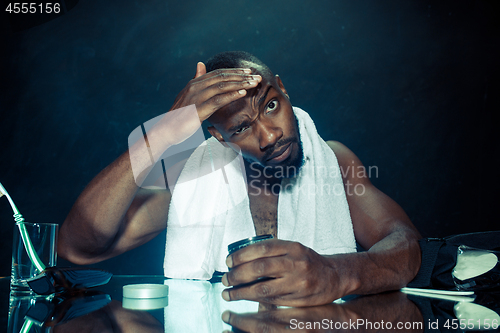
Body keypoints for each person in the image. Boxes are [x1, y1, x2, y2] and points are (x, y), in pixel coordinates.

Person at [58, 51, 422, 307]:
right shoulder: (192, 180)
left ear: (283, 88)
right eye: (242, 127)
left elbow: (407, 245)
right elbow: (79, 246)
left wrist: (337, 273)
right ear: (219, 137)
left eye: (271, 105)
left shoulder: (335, 161)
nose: (268, 136)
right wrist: (164, 133)